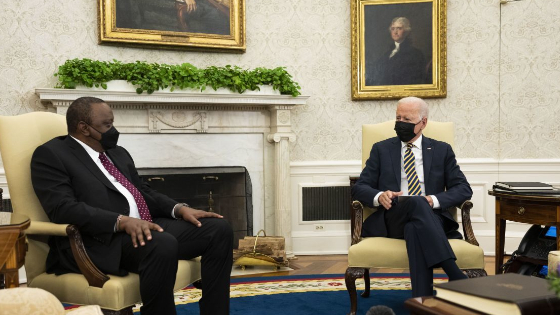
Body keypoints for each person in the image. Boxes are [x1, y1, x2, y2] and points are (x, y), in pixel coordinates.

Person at [30, 97, 233, 315]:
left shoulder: (117, 152)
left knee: (218, 229)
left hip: (144, 226)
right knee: (160, 243)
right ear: (84, 128)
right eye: (107, 125)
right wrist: (120, 221)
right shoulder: (51, 155)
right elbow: (63, 208)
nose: (113, 130)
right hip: (100, 238)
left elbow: (143, 192)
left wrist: (179, 209)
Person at [351, 97, 471, 297]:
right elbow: (360, 187)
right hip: (393, 215)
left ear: (423, 123)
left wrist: (433, 200)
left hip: (431, 218)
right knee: (415, 202)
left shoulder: (442, 150)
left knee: (414, 225)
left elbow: (463, 188)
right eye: (398, 118)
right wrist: (380, 195)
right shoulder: (381, 149)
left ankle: (421, 299)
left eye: (407, 119)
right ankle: (454, 273)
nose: (401, 124)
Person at [366, 17, 427, 86]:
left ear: (407, 31)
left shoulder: (415, 54)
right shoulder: (387, 54)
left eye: (399, 28)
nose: (395, 32)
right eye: (393, 29)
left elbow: (414, 80)